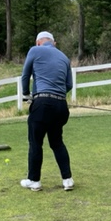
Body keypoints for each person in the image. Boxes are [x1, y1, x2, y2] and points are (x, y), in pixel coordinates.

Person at [20, 31, 74, 192]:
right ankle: (67, 180)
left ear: (38, 42)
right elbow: (69, 85)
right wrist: (57, 95)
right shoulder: (65, 57)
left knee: (36, 142)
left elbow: (25, 75)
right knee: (57, 142)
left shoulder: (35, 50)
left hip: (42, 104)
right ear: (53, 42)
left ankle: (34, 180)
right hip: (61, 106)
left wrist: (26, 94)